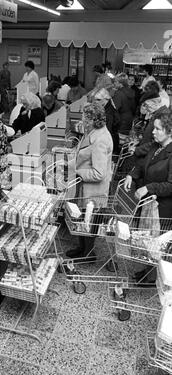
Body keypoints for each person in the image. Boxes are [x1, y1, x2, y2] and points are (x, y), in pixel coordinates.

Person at [124, 110, 172, 284]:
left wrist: (148, 187)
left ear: (169, 131)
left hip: (162, 208)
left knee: (156, 244)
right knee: (148, 240)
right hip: (149, 204)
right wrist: (132, 174)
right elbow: (142, 164)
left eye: (158, 129)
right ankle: (147, 272)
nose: (153, 131)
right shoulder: (156, 146)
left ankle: (153, 278)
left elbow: (170, 185)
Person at [66, 102, 113, 261]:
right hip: (85, 188)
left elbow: (99, 173)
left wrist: (78, 172)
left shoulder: (100, 140)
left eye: (84, 117)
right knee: (82, 219)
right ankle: (82, 249)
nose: (82, 120)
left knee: (89, 221)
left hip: (94, 190)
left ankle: (87, 254)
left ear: (92, 119)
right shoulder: (92, 133)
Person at [93, 87, 120, 154]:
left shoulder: (108, 114)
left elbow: (107, 132)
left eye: (98, 100)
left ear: (105, 100)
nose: (95, 102)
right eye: (95, 100)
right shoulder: (107, 108)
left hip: (108, 146)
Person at [112, 73, 136, 144]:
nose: (114, 84)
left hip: (120, 121)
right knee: (124, 142)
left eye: (115, 82)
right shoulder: (131, 92)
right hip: (128, 120)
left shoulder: (119, 93)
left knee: (119, 143)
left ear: (120, 83)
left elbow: (115, 108)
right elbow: (134, 107)